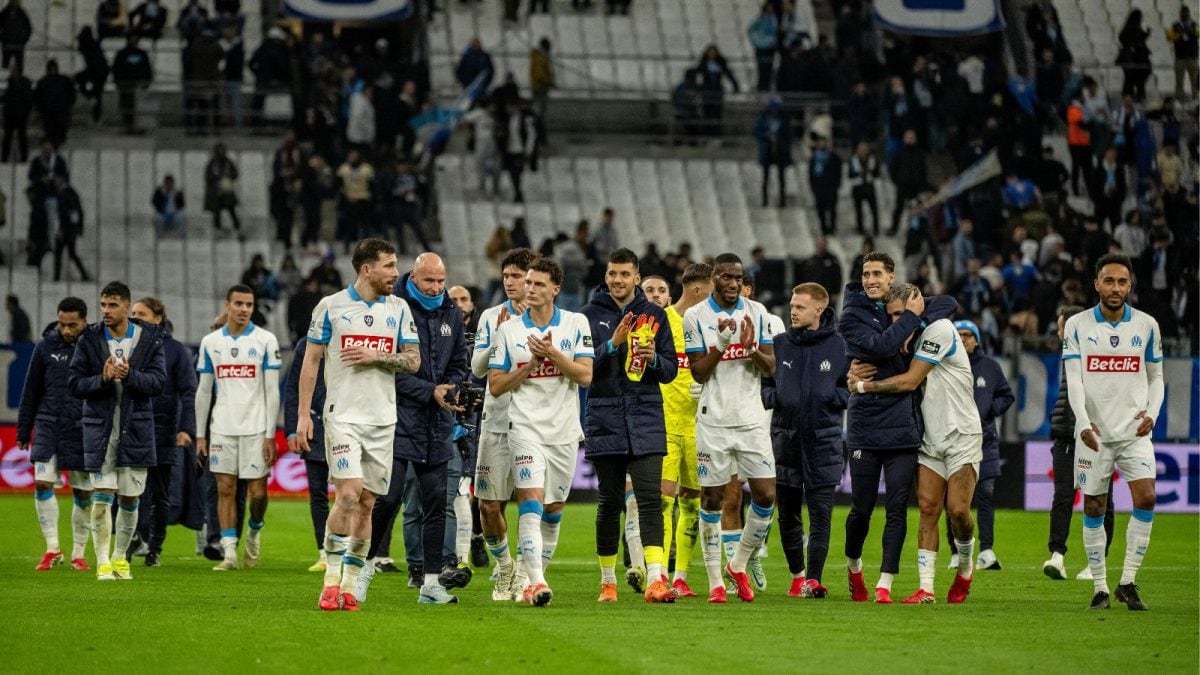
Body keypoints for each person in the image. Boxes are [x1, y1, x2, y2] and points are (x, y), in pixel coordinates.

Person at [296, 238, 421, 611]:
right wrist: (303, 415)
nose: (396, 273)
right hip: (343, 416)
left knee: (367, 504)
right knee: (348, 494)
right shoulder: (330, 306)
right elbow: (311, 361)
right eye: (389, 266)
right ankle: (330, 580)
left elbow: (413, 361)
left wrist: (376, 355)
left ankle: (349, 586)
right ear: (367, 269)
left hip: (382, 419)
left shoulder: (399, 308)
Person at [848, 284, 983, 605]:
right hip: (928, 436)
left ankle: (965, 567)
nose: (898, 321)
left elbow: (910, 381)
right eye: (893, 316)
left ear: (918, 308)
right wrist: (850, 371)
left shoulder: (940, 329)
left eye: (903, 314)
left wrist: (863, 386)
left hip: (962, 433)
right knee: (927, 508)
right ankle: (926, 588)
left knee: (958, 511)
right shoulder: (904, 340)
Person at [839, 252, 956, 604]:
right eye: (866, 274)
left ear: (892, 277)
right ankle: (854, 566)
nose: (870, 280)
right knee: (860, 510)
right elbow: (882, 345)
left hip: (903, 426)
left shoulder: (901, 304)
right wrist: (910, 319)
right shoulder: (851, 315)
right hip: (865, 424)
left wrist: (913, 315)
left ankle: (885, 584)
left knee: (896, 509)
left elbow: (948, 303)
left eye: (877, 274)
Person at [356, 253, 468, 605]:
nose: (436, 288)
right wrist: (429, 391)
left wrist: (452, 389)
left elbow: (459, 363)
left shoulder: (451, 313)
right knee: (386, 499)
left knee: (436, 502)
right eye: (429, 281)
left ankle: (431, 583)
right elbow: (386, 372)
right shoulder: (391, 308)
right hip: (397, 419)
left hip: (438, 422)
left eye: (441, 281)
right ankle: (362, 570)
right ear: (414, 277)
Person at [487, 256, 594, 606]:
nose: (529, 289)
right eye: (528, 283)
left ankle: (531, 577)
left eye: (538, 284)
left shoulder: (576, 323)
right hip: (525, 427)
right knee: (530, 502)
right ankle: (536, 581)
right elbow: (496, 386)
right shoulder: (509, 330)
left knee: (554, 508)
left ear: (555, 289)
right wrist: (530, 365)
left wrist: (552, 355)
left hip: (564, 430)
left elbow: (585, 375)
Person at [1062, 254, 1163, 611]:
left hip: (1134, 431)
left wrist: (1152, 413)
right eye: (1109, 281)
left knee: (1146, 497)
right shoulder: (1077, 325)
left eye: (1122, 282)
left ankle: (1128, 582)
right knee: (1094, 505)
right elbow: (1074, 379)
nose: (1115, 288)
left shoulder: (1147, 325)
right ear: (1097, 284)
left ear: (1130, 285)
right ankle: (1100, 588)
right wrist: (1082, 421)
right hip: (1094, 433)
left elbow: (1156, 377)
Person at [581, 249, 678, 603]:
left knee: (650, 501)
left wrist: (654, 360)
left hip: (646, 417)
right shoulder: (588, 316)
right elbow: (581, 369)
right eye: (612, 274)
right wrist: (612, 345)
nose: (617, 280)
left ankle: (655, 579)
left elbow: (671, 370)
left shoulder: (655, 315)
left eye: (624, 274)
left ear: (637, 277)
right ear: (606, 276)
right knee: (609, 502)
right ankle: (608, 582)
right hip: (605, 417)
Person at [683, 253, 778, 603]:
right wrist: (721, 346)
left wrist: (751, 348)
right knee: (712, 498)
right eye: (726, 277)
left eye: (738, 278)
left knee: (766, 495)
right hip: (714, 421)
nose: (733, 283)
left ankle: (737, 564)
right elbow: (698, 372)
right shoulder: (696, 316)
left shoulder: (758, 312)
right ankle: (715, 584)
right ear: (714, 279)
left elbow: (770, 368)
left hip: (752, 419)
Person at [68, 281, 167, 581]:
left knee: (130, 499)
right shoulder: (89, 338)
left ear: (126, 306)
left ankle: (120, 557)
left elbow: (158, 382)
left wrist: (130, 375)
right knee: (102, 495)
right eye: (103, 305)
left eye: (112, 305)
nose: (106, 311)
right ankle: (102, 562)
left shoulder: (150, 339)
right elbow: (74, 383)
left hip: (136, 428)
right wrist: (103, 377)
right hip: (100, 428)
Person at [762, 283, 847, 598]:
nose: (793, 312)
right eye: (792, 306)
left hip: (823, 441)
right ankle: (797, 576)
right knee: (788, 516)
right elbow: (765, 382)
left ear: (818, 310)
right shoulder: (780, 344)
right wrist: (776, 398)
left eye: (799, 307)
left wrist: (831, 398)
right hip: (785, 441)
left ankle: (813, 579)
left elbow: (848, 387)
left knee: (821, 514)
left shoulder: (839, 346)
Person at [194, 285, 282, 572]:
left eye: (249, 304)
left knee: (258, 493)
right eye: (239, 304)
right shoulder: (211, 342)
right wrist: (200, 434)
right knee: (225, 488)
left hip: (256, 428)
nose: (244, 309)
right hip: (222, 428)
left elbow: (272, 391)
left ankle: (254, 530)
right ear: (227, 305)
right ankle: (229, 553)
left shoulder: (265, 340)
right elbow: (203, 391)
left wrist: (270, 434)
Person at [470, 247, 535, 601]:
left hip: (533, 422)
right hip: (495, 420)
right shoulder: (491, 316)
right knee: (488, 505)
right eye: (506, 275)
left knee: (530, 500)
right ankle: (505, 566)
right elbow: (477, 369)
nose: (509, 282)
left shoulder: (547, 319)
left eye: (517, 277)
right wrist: (499, 334)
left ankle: (524, 570)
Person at [18, 297, 93, 572]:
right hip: (48, 424)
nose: (66, 330)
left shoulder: (95, 346)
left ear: (84, 321)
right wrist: (24, 429)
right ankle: (52, 548)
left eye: (72, 325)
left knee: (83, 492)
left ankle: (79, 553)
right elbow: (31, 389)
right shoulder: (45, 346)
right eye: (62, 324)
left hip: (82, 426)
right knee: (42, 483)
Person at [650, 264, 711, 597]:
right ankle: (658, 573)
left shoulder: (708, 325)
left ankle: (681, 577)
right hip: (665, 422)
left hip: (700, 425)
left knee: (692, 502)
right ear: (698, 290)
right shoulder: (662, 321)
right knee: (663, 499)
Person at [1043, 305, 1115, 581]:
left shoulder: (1100, 352)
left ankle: (1097, 562)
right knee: (1063, 496)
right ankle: (1057, 555)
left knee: (1100, 498)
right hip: (1066, 434)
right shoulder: (1069, 355)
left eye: (1062, 327)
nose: (1059, 333)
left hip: (1096, 437)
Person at [129, 298, 196, 568]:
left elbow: (188, 391)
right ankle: (135, 537)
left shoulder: (176, 350)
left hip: (164, 428)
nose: (135, 317)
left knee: (160, 493)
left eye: (141, 313)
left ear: (158, 318)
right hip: (132, 427)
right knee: (130, 489)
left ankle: (154, 548)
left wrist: (186, 428)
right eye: (133, 313)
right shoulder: (127, 345)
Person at [943, 321, 1014, 573]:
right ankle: (955, 552)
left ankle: (986, 550)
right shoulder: (943, 364)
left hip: (985, 441)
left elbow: (1007, 395)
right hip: (952, 440)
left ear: (977, 340)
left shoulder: (990, 367)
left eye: (968, 335)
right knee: (952, 500)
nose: (963, 339)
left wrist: (989, 411)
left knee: (985, 494)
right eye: (959, 335)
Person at [285, 339, 329, 572]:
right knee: (318, 494)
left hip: (347, 424)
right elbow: (293, 387)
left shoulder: (352, 336)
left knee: (352, 493)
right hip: (314, 428)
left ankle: (353, 551)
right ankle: (324, 552)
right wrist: (292, 430)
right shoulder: (305, 345)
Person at [754, 98, 793, 208]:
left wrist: (783, 142)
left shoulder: (784, 119)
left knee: (781, 177)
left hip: (780, 150)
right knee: (766, 177)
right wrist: (766, 136)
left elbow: (790, 134)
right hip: (767, 149)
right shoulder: (764, 118)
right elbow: (757, 132)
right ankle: (765, 200)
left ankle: (782, 200)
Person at [111, 35, 152, 134]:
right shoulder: (122, 54)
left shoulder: (141, 53)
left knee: (137, 106)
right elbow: (116, 68)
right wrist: (118, 81)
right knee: (127, 105)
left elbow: (147, 68)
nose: (134, 40)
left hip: (138, 83)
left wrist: (147, 81)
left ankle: (136, 126)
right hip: (126, 83)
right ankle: (128, 126)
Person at [52, 177, 90, 282]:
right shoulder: (69, 192)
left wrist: (62, 229)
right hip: (70, 229)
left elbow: (68, 213)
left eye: (57, 180)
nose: (55, 182)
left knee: (60, 253)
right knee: (71, 253)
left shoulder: (66, 193)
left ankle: (56, 277)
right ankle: (84, 275)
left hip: (66, 229)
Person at [33, 60, 76, 148]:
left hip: (56, 114)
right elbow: (72, 95)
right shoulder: (62, 81)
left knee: (55, 136)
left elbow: (37, 98)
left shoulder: (44, 82)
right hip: (54, 114)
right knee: (55, 136)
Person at [809, 135, 842, 235]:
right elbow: (811, 174)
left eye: (824, 142)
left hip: (831, 188)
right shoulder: (814, 158)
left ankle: (832, 227)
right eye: (820, 142)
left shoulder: (834, 157)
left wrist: (836, 185)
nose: (822, 144)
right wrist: (813, 187)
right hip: (819, 188)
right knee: (820, 209)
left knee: (832, 209)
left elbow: (838, 173)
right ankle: (823, 228)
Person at [205, 144, 241, 236]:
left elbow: (235, 174)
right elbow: (208, 176)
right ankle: (217, 229)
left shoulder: (228, 162)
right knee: (216, 211)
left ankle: (237, 227)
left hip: (226, 189)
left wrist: (228, 176)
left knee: (231, 209)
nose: (221, 152)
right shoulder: (213, 162)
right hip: (216, 190)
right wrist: (216, 179)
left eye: (222, 150)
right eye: (219, 150)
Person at [74, 27, 109, 123]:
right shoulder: (93, 43)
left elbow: (82, 48)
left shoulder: (89, 44)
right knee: (97, 94)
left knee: (95, 92)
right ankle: (96, 116)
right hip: (99, 71)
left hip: (97, 71)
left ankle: (91, 100)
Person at [1118, 10, 1152, 102]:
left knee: (1137, 79)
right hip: (1130, 59)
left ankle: (1137, 95)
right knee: (1130, 79)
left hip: (1139, 59)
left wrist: (1146, 35)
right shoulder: (1129, 29)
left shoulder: (1137, 28)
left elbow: (1140, 40)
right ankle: (1130, 96)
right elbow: (1124, 39)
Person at [1, 61, 31, 163]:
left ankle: (24, 157)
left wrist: (25, 111)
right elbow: (6, 97)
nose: (13, 71)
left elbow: (27, 98)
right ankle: (4, 157)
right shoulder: (9, 81)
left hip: (20, 114)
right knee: (8, 137)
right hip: (10, 114)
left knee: (21, 136)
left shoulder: (24, 82)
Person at [848, 142, 881, 236]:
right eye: (861, 149)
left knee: (874, 209)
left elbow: (877, 173)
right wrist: (858, 173)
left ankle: (876, 229)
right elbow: (850, 174)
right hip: (858, 186)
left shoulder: (872, 159)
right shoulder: (853, 160)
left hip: (869, 186)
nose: (863, 151)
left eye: (865, 148)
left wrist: (870, 171)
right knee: (858, 209)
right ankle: (860, 228)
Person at [1167, 6, 1198, 101]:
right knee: (1179, 80)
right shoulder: (1175, 25)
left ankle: (1195, 97)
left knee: (1195, 80)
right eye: (1183, 13)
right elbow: (1169, 37)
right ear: (1180, 14)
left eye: (1186, 13)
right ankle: (1179, 97)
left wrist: (1191, 30)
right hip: (1180, 57)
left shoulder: (1194, 24)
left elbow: (1198, 33)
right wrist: (1179, 35)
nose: (1185, 15)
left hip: (1192, 57)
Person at [747, 3, 779, 92]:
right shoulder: (759, 19)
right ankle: (761, 86)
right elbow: (750, 30)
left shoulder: (774, 19)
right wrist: (756, 41)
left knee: (769, 67)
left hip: (771, 47)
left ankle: (767, 85)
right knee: (762, 67)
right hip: (761, 46)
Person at [529, 38, 554, 126]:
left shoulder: (538, 57)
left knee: (538, 107)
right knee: (540, 108)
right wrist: (549, 82)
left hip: (538, 86)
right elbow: (540, 74)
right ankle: (538, 126)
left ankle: (536, 124)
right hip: (540, 87)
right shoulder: (540, 58)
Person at [0, 0, 31, 69]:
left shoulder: (22, 14)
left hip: (18, 45)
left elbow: (28, 28)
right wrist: (3, 39)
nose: (14, 3)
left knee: (19, 66)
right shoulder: (4, 13)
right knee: (5, 66)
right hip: (7, 45)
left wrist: (23, 40)